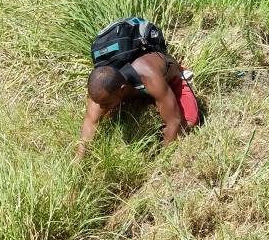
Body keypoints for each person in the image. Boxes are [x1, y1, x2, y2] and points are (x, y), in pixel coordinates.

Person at [75, 18, 201, 161]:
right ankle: (144, 98)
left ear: (121, 89)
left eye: (105, 103)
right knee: (106, 113)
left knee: (189, 121)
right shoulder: (102, 88)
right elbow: (90, 124)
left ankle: (166, 92)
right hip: (132, 87)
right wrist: (79, 163)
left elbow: (175, 121)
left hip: (170, 80)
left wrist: (161, 162)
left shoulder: (148, 74)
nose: (101, 107)